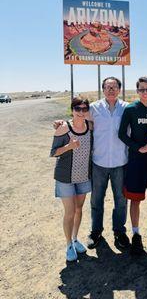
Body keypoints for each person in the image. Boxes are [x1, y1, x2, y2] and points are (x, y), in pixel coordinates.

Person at [87, 77, 130, 250]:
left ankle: (119, 231)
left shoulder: (127, 108)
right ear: (103, 89)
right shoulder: (93, 108)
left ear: (119, 89)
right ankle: (95, 231)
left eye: (114, 87)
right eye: (107, 87)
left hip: (121, 162)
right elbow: (78, 119)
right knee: (97, 199)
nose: (111, 89)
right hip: (99, 162)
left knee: (121, 200)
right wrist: (62, 124)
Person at [118, 76, 147, 255]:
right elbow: (122, 134)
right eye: (141, 89)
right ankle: (136, 234)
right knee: (135, 199)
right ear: (137, 91)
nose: (145, 92)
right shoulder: (131, 109)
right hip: (136, 161)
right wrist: (138, 148)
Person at [50, 96, 93, 262]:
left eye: (84, 109)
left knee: (78, 209)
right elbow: (53, 152)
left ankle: (75, 239)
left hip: (83, 176)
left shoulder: (90, 126)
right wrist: (68, 146)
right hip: (65, 177)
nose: (81, 112)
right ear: (72, 110)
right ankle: (68, 245)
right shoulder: (63, 128)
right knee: (69, 212)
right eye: (77, 109)